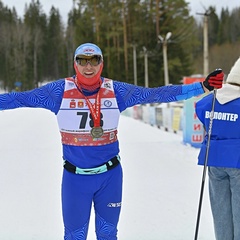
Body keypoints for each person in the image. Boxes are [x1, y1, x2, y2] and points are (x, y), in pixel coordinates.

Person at [0, 43, 223, 240]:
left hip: (110, 177)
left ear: (101, 64)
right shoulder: (59, 91)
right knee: (74, 236)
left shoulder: (116, 91)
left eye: (94, 61)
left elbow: (156, 94)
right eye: (83, 61)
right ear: (75, 64)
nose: (89, 67)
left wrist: (201, 87)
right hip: (75, 180)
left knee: (107, 234)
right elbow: (19, 98)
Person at [196, 57, 240, 240]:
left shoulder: (211, 100)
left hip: (214, 160)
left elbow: (199, 108)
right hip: (237, 161)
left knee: (220, 212)